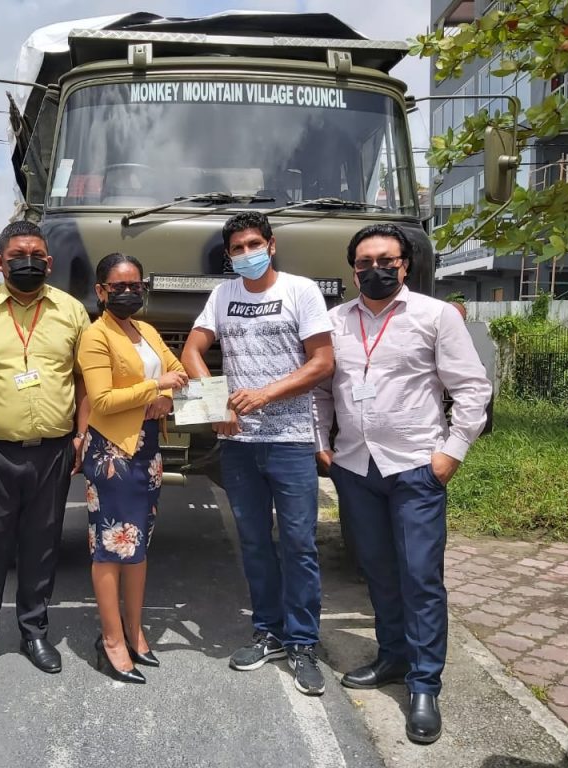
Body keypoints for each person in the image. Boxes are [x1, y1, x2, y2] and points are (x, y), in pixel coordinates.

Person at [314, 223, 492, 745]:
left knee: (419, 576)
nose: (375, 269)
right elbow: (321, 389)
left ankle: (423, 684)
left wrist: (449, 455)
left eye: (385, 260)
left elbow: (472, 388)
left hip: (417, 466)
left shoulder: (435, 316)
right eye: (365, 261)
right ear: (352, 270)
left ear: (404, 265)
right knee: (377, 572)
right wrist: (320, 443)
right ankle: (391, 656)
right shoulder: (334, 321)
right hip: (354, 466)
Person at [181, 211, 334, 696]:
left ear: (271, 244)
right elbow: (191, 351)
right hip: (239, 446)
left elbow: (323, 362)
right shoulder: (223, 295)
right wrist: (214, 402)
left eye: (253, 244)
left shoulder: (300, 290)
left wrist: (265, 394)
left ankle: (304, 642)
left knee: (299, 544)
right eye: (237, 248)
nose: (247, 253)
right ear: (228, 256)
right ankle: (268, 631)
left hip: (289, 441)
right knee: (253, 542)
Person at [0, 220, 90, 682]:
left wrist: (80, 436)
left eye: (36, 254)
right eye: (18, 255)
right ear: (0, 262)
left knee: (42, 544)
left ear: (49, 262)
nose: (28, 261)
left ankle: (34, 631)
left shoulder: (73, 312)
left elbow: (83, 380)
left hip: (54, 451)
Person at [78, 253, 188, 684]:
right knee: (110, 547)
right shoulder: (95, 336)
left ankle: (134, 628)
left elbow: (178, 370)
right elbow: (101, 400)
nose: (128, 292)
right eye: (118, 285)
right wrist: (153, 388)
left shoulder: (145, 330)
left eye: (135, 284)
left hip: (148, 448)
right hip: (112, 452)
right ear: (101, 291)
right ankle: (110, 639)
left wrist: (164, 393)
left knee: (138, 543)